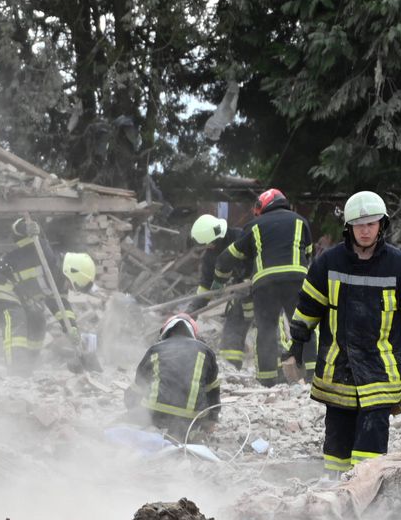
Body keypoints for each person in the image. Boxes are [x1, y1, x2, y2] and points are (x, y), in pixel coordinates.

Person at [284, 192, 401, 473]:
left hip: (380, 368)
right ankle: (336, 492)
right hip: (339, 367)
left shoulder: (399, 266)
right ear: (348, 227)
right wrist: (297, 344)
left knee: (372, 439)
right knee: (337, 439)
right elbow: (309, 306)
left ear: (381, 226)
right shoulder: (329, 263)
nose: (365, 230)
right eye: (359, 224)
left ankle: (365, 494)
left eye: (371, 224)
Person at [219, 188, 311, 386]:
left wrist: (220, 280)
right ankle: (313, 375)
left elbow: (229, 256)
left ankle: (268, 380)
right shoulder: (300, 221)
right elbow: (309, 254)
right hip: (296, 280)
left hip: (265, 284)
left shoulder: (253, 225)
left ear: (262, 207)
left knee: (266, 329)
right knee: (304, 326)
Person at [0, 221, 88, 372]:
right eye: (72, 283)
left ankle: (28, 364)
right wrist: (28, 227)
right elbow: (16, 229)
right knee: (16, 318)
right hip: (0, 281)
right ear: (68, 271)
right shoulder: (42, 250)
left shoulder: (57, 286)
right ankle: (16, 367)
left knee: (37, 319)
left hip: (20, 292)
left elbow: (62, 309)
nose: (70, 288)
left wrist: (73, 330)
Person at [128, 312, 221, 439]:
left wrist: (133, 412)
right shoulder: (205, 352)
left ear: (166, 331)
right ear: (193, 334)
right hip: (190, 421)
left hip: (154, 415)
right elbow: (213, 392)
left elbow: (137, 388)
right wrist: (211, 421)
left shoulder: (155, 349)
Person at [190, 213, 251, 368]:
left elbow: (260, 258)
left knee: (267, 327)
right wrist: (191, 313)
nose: (207, 248)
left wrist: (252, 278)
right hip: (240, 292)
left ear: (216, 238)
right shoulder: (210, 257)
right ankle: (232, 367)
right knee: (233, 326)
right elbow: (205, 286)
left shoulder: (242, 237)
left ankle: (274, 371)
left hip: (263, 288)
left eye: (208, 244)